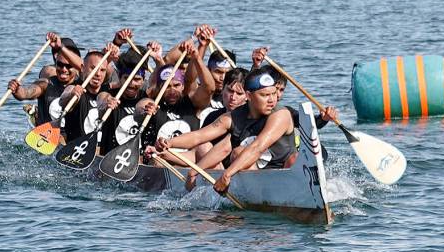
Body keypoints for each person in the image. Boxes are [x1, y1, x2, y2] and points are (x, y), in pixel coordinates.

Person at [148, 66, 298, 192]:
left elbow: (257, 148)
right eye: (265, 95)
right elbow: (199, 136)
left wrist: (227, 174)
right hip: (255, 179)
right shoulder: (234, 117)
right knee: (218, 149)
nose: (272, 100)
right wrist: (169, 143)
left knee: (240, 153)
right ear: (249, 96)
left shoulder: (281, 115)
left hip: (284, 178)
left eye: (273, 94)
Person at [8, 32, 83, 126]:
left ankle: (36, 113)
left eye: (69, 66)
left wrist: (61, 47)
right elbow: (26, 92)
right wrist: (17, 90)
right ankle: (36, 115)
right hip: (47, 132)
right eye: (60, 64)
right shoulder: (46, 84)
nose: (64, 69)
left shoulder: (84, 83)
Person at [57, 44, 118, 142]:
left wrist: (108, 102)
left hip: (101, 148)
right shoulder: (75, 88)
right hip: (76, 147)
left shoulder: (108, 91)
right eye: (93, 68)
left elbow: (103, 98)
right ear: (82, 68)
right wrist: (71, 94)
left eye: (102, 70)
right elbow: (63, 99)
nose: (98, 74)